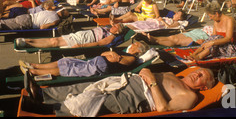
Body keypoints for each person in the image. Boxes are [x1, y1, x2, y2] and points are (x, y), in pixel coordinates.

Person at [22, 67, 215, 117]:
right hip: (131, 80)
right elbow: (148, 74)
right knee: (87, 87)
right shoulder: (174, 74)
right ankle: (42, 95)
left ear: (204, 87)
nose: (195, 75)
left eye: (201, 77)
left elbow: (163, 108)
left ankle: (47, 111)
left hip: (138, 97)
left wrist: (153, 83)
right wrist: (146, 72)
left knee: (93, 100)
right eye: (197, 71)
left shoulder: (190, 96)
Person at [19, 41, 150, 78]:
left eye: (135, 45)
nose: (132, 44)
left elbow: (117, 60)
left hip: (99, 67)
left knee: (68, 69)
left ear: (139, 51)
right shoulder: (123, 52)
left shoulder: (132, 58)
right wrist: (111, 54)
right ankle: (34, 65)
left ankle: (33, 72)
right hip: (96, 61)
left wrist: (113, 55)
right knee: (66, 61)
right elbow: (106, 53)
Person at [0, 8, 70, 41]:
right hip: (27, 23)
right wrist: (53, 25)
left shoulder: (50, 11)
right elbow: (43, 27)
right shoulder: (56, 20)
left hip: (26, 16)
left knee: (1, 22)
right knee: (1, 25)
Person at [15, 23, 129, 49]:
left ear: (118, 32)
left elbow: (99, 43)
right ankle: (28, 40)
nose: (113, 26)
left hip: (86, 39)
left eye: (116, 27)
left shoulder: (112, 37)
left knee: (55, 43)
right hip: (83, 34)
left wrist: (81, 46)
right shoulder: (108, 28)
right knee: (54, 39)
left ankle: (27, 44)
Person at [145, 26, 213, 47]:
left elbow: (214, 40)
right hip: (195, 32)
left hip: (201, 37)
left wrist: (204, 41)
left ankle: (156, 41)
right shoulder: (215, 24)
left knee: (176, 41)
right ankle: (154, 38)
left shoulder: (222, 32)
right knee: (172, 37)